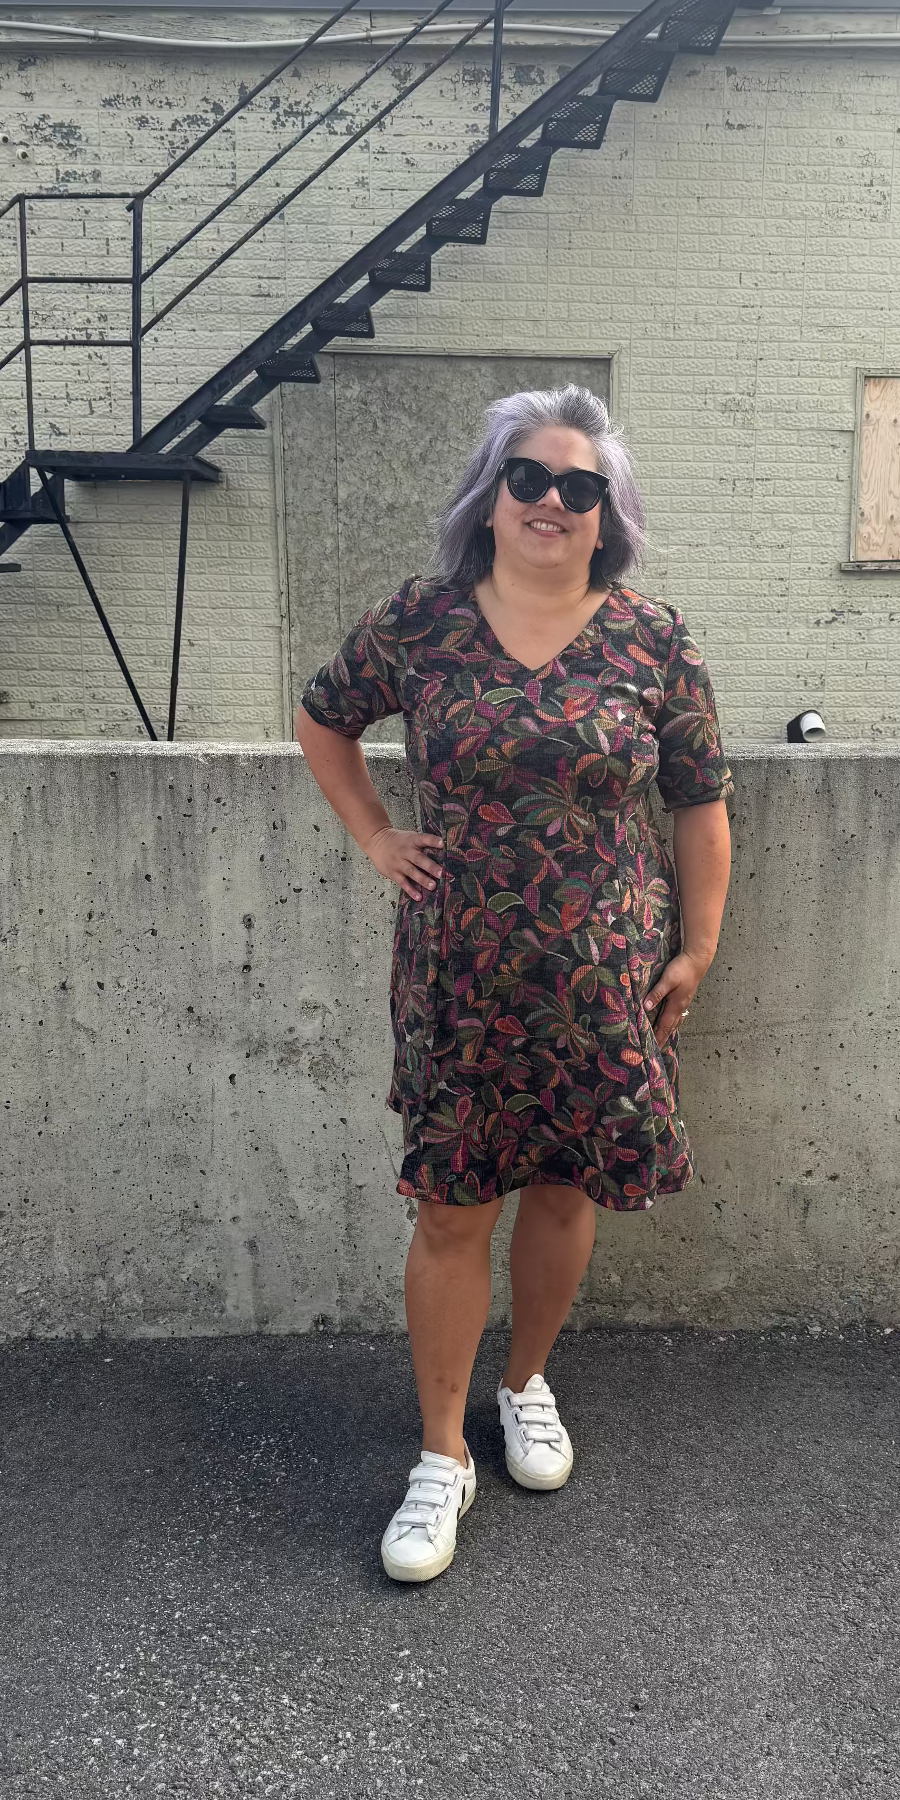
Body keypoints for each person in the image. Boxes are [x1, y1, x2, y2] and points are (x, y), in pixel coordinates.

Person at [296, 385, 732, 1583]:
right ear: (490, 499)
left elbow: (700, 805)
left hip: (606, 979)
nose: (552, 500)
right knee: (451, 1207)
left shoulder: (653, 638)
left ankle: (525, 1384)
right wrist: (381, 838)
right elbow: (323, 720)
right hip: (461, 973)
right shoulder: (422, 623)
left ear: (608, 515)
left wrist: (694, 949)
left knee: (564, 1189)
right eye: (529, 478)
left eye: (580, 486)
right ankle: (443, 1454)